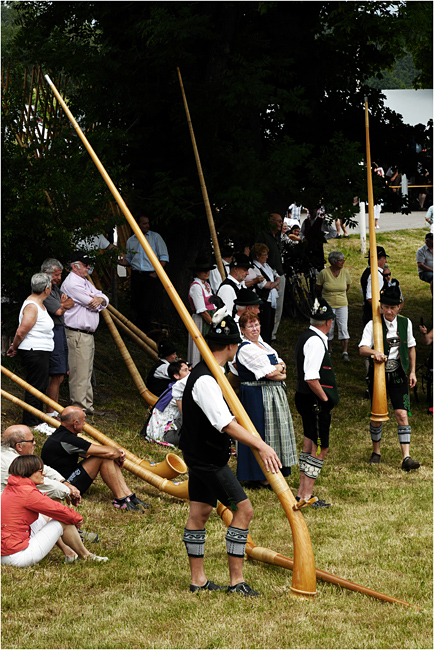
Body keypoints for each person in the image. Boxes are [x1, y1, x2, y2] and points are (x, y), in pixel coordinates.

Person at [179, 308, 282, 596]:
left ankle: (198, 581)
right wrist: (260, 445)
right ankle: (236, 582)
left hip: (201, 454)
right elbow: (225, 424)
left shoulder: (215, 373)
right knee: (244, 510)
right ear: (231, 346)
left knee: (199, 512)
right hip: (207, 459)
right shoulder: (206, 380)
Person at [1, 425, 99, 556]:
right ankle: (84, 553)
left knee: (55, 512)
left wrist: (64, 482)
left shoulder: (16, 473)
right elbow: (50, 490)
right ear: (19, 446)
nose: (35, 443)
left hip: (7, 542)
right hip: (13, 551)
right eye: (32, 440)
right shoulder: (22, 483)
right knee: (60, 516)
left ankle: (69, 551)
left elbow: (45, 470)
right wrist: (71, 495)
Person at [1, 455, 107, 566]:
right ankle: (86, 556)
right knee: (64, 520)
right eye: (40, 471)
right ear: (29, 472)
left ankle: (70, 554)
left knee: (46, 516)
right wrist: (77, 519)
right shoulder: (27, 492)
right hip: (16, 556)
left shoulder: (12, 487)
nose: (44, 474)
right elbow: (60, 511)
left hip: (4, 553)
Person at [41, 406, 149, 511]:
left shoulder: (61, 435)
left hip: (63, 479)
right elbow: (110, 453)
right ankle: (121, 499)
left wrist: (113, 453)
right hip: (65, 485)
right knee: (103, 457)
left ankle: (128, 495)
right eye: (83, 421)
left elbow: (90, 453)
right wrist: (118, 453)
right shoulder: (68, 439)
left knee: (104, 455)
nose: (84, 424)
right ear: (75, 423)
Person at [359, 286, 419, 471]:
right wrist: (374, 352)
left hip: (399, 372)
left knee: (402, 414)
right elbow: (362, 349)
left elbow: (411, 348)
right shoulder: (373, 324)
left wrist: (412, 372)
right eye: (385, 307)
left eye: (393, 307)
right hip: (379, 374)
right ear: (381, 307)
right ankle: (376, 452)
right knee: (377, 416)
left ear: (399, 306)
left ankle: (406, 457)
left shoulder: (405, 323)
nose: (389, 311)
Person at [235, 311, 298, 488]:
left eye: (256, 325)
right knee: (260, 432)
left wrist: (278, 371)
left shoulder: (264, 345)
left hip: (270, 393)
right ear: (242, 330)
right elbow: (271, 373)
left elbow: (281, 367)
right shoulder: (246, 349)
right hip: (256, 396)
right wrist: (278, 371)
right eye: (250, 326)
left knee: (275, 431)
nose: (254, 329)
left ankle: (274, 470)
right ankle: (258, 475)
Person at [293, 298, 339, 509]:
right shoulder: (315, 341)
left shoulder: (307, 335)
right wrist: (324, 399)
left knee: (310, 443)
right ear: (329, 322)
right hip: (314, 401)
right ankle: (307, 495)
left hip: (305, 399)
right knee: (321, 448)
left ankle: (302, 493)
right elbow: (311, 377)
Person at [60, 252, 109, 416]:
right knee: (79, 371)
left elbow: (103, 298)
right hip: (77, 333)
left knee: (86, 371)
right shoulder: (72, 283)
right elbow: (92, 303)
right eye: (85, 264)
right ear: (75, 266)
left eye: (89, 264)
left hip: (86, 334)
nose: (88, 267)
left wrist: (101, 299)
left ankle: (87, 406)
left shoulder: (85, 281)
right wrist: (99, 300)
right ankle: (79, 407)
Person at [7, 273, 55, 434]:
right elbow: (21, 331)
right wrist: (14, 346)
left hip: (41, 350)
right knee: (35, 386)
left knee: (40, 385)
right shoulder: (32, 306)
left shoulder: (39, 303)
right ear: (47, 289)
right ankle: (32, 422)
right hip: (34, 350)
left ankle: (38, 419)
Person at [121, 215, 169, 334]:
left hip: (150, 275)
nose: (147, 225)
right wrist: (118, 260)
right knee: (136, 302)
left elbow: (164, 257)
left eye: (148, 223)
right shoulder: (131, 240)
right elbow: (129, 260)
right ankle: (138, 329)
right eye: (144, 223)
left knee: (147, 303)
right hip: (137, 274)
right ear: (137, 225)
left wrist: (156, 273)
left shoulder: (155, 237)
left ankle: (146, 329)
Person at [41, 258, 74, 419]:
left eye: (60, 275)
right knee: (56, 373)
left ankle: (53, 410)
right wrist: (62, 305)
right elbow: (58, 312)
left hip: (60, 330)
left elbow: (71, 301)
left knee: (60, 373)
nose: (59, 278)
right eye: (56, 275)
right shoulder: (43, 289)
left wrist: (64, 303)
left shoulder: (54, 288)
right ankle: (50, 412)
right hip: (52, 331)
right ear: (46, 273)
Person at [142, 360, 191, 447]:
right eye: (185, 370)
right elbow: (185, 413)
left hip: (160, 430)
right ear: (176, 376)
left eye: (188, 370)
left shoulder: (172, 386)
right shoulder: (179, 389)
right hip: (166, 434)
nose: (189, 373)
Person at [256, 213, 286, 342]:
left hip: (278, 272)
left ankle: (273, 333)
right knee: (268, 305)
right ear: (271, 221)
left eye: (281, 221)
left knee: (278, 306)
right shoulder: (263, 236)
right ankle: (265, 334)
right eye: (278, 221)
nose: (281, 224)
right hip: (267, 273)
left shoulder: (277, 237)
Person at [316, 252, 351, 361]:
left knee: (343, 327)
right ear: (334, 262)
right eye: (341, 260)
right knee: (328, 328)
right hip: (328, 305)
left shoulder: (345, 272)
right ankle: (329, 349)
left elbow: (347, 287)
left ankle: (345, 351)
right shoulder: (324, 273)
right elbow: (318, 288)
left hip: (342, 304)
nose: (343, 262)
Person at [245, 244, 280, 344]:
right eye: (264, 255)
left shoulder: (266, 266)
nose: (267, 257)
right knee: (265, 325)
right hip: (264, 298)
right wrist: (275, 283)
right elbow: (265, 285)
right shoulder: (255, 268)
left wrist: (275, 283)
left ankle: (269, 343)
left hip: (271, 298)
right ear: (258, 256)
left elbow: (276, 276)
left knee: (271, 323)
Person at [187, 256, 216, 367]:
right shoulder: (196, 287)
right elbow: (202, 311)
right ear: (197, 272)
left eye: (208, 270)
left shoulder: (206, 284)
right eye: (203, 270)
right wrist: (213, 324)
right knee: (199, 347)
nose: (206, 272)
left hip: (209, 319)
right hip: (201, 321)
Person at [360, 245, 388, 326]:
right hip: (373, 315)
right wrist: (382, 313)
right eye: (384, 258)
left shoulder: (368, 271)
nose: (385, 261)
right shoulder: (376, 274)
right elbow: (370, 298)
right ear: (378, 259)